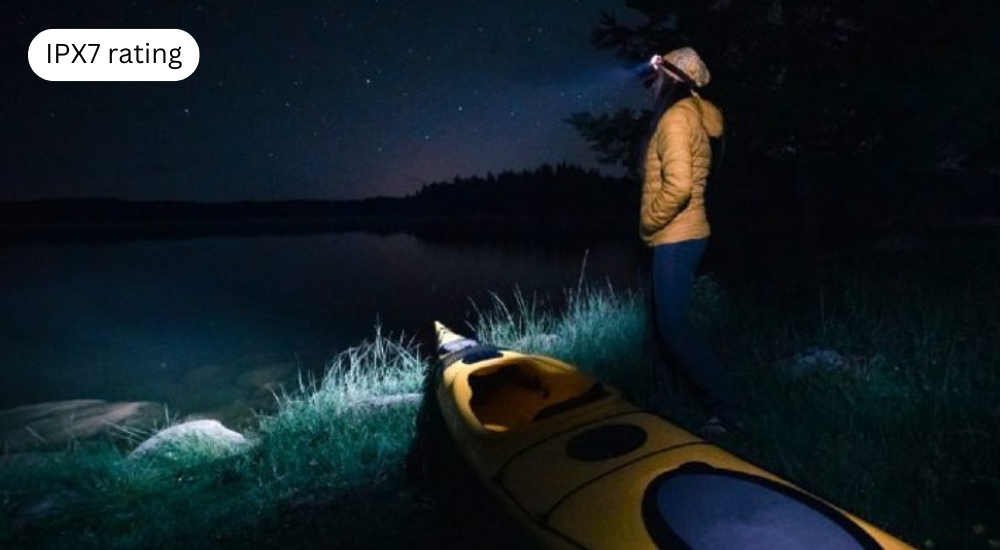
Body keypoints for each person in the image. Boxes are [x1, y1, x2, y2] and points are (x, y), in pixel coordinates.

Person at [639, 47, 740, 435]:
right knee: (668, 325)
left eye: (659, 74)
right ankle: (672, 398)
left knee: (674, 329)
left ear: (673, 79)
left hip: (676, 235)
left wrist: (650, 220)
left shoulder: (677, 119)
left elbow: (679, 186)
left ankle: (728, 409)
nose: (653, 82)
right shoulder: (692, 114)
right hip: (683, 233)